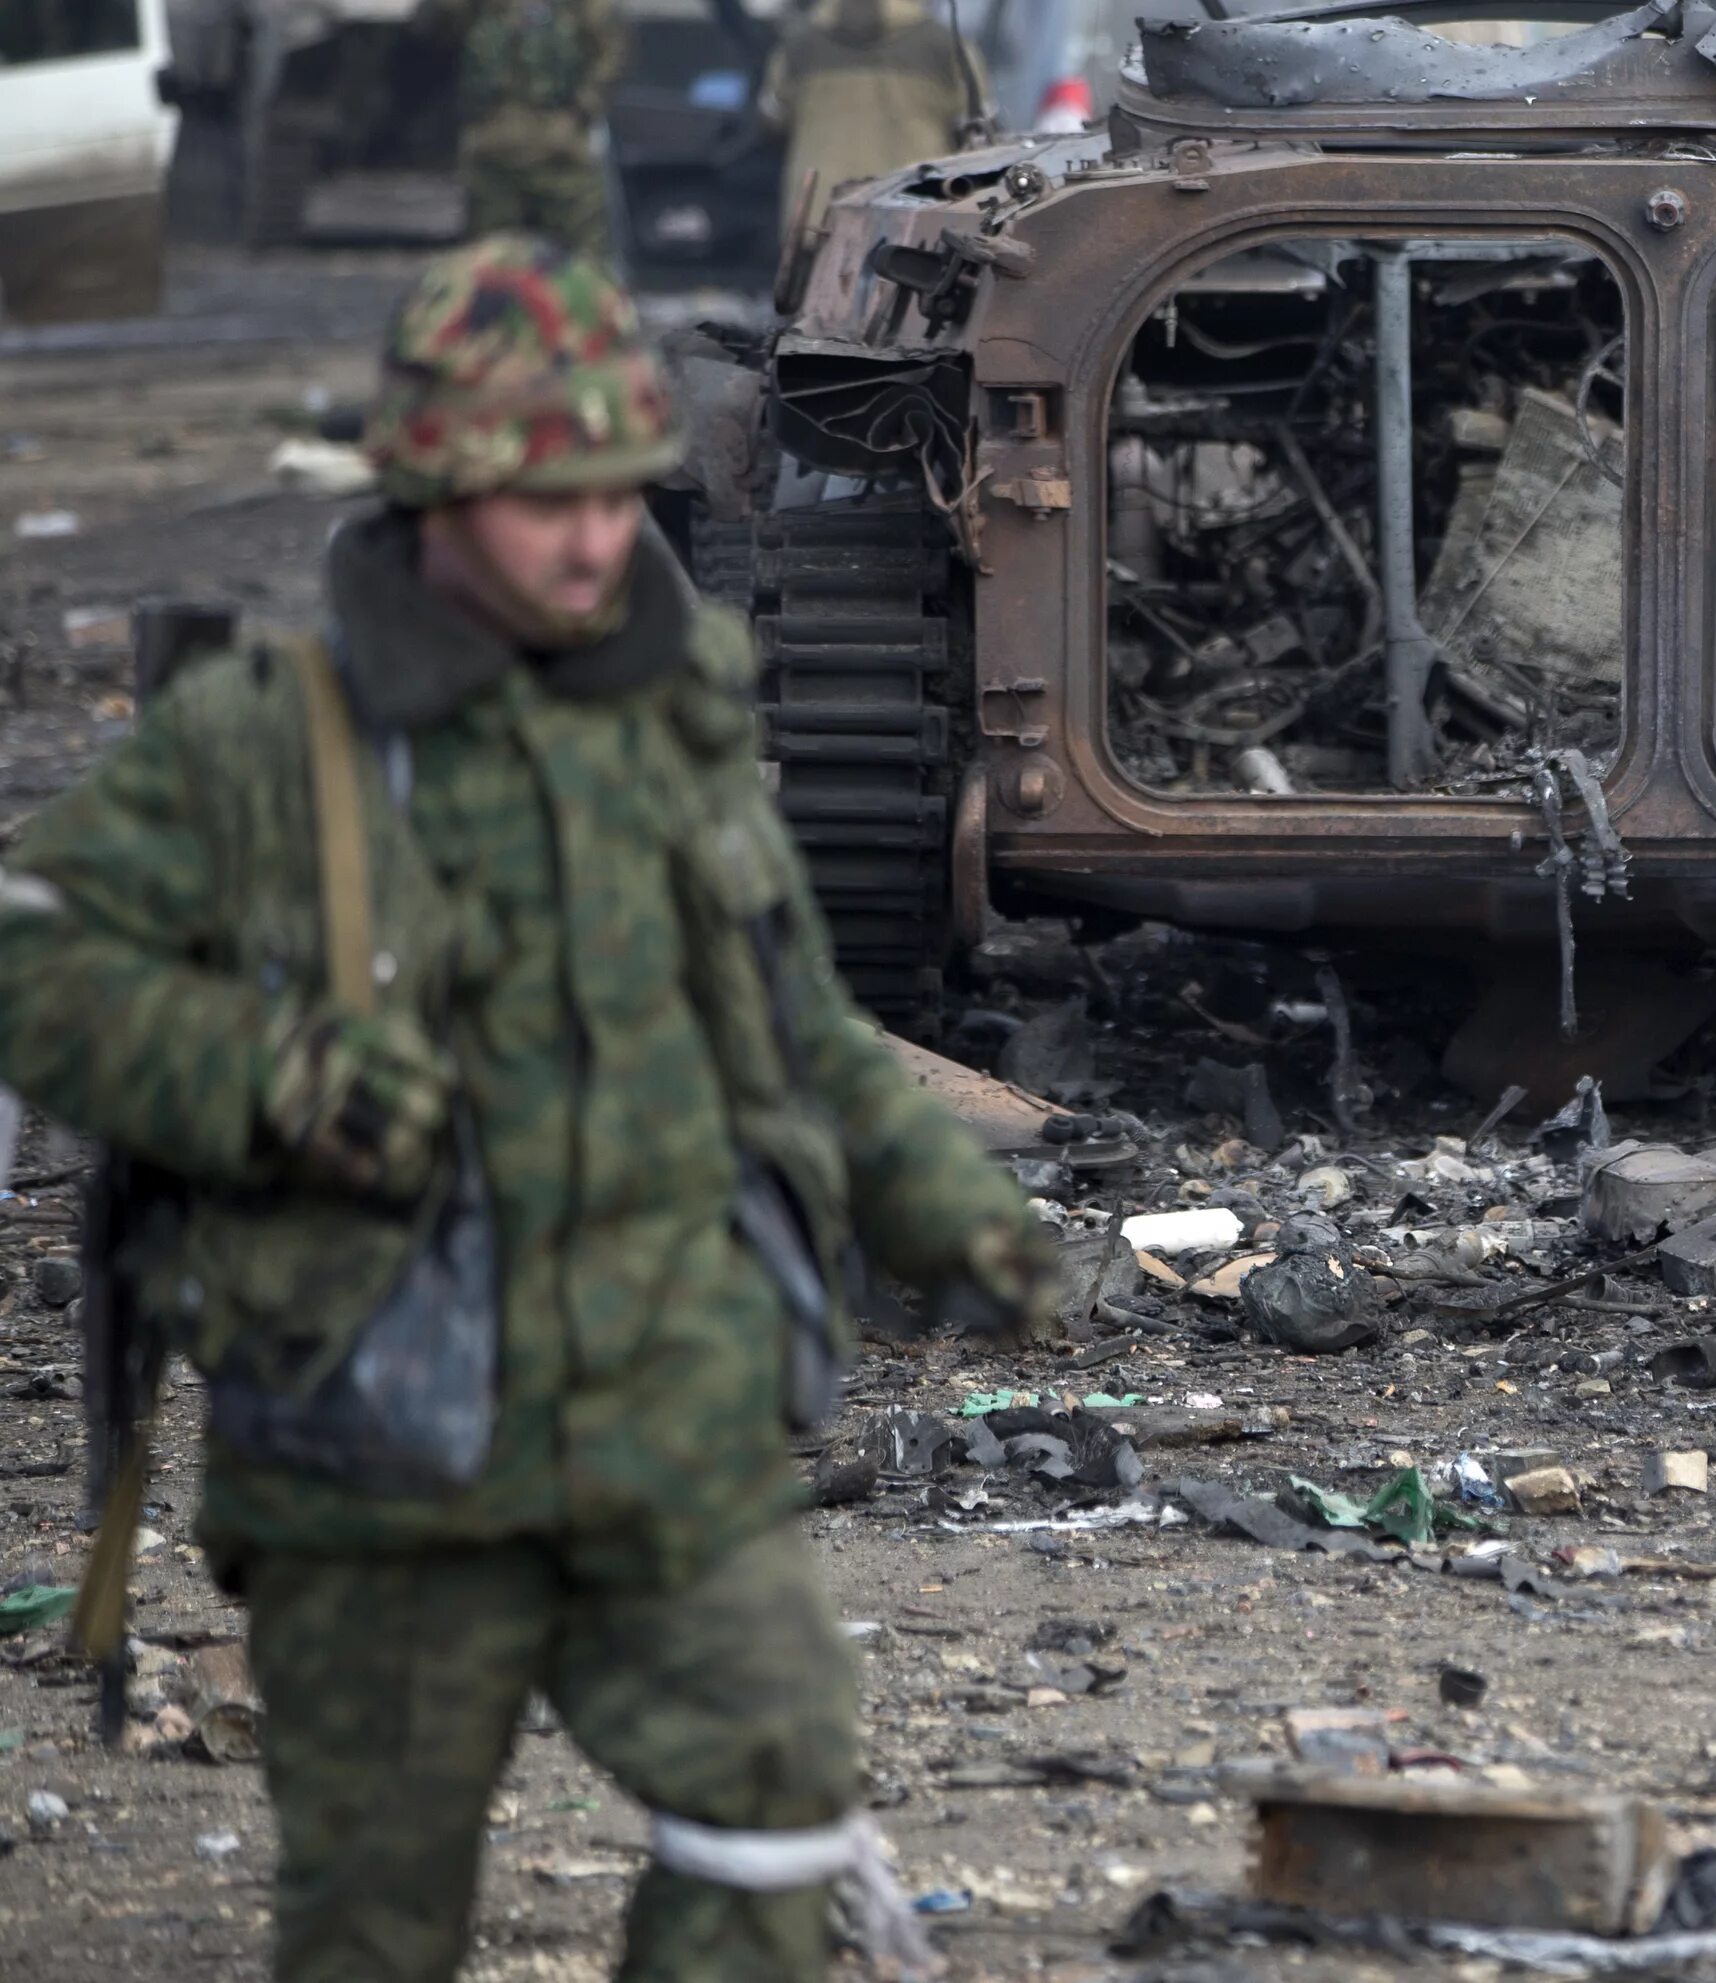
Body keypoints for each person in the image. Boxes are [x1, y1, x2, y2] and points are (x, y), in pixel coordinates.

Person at [0, 235, 1054, 1982]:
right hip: (378, 1445)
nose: (591, 536)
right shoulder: (275, 743)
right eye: (539, 495)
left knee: (776, 1799)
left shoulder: (673, 720)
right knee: (381, 1904)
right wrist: (262, 1077)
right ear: (432, 492)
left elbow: (778, 1005)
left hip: (658, 1411)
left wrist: (942, 1208)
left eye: (607, 490)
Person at [761, 0, 986, 242]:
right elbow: (978, 127)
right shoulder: (945, 43)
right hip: (915, 212)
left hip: (821, 214)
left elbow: (773, 116)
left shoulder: (799, 42)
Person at [421, 0, 626, 259]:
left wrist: (582, 108)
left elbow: (613, 49)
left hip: (560, 147)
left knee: (586, 261)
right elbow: (436, 27)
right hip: (494, 145)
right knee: (493, 266)